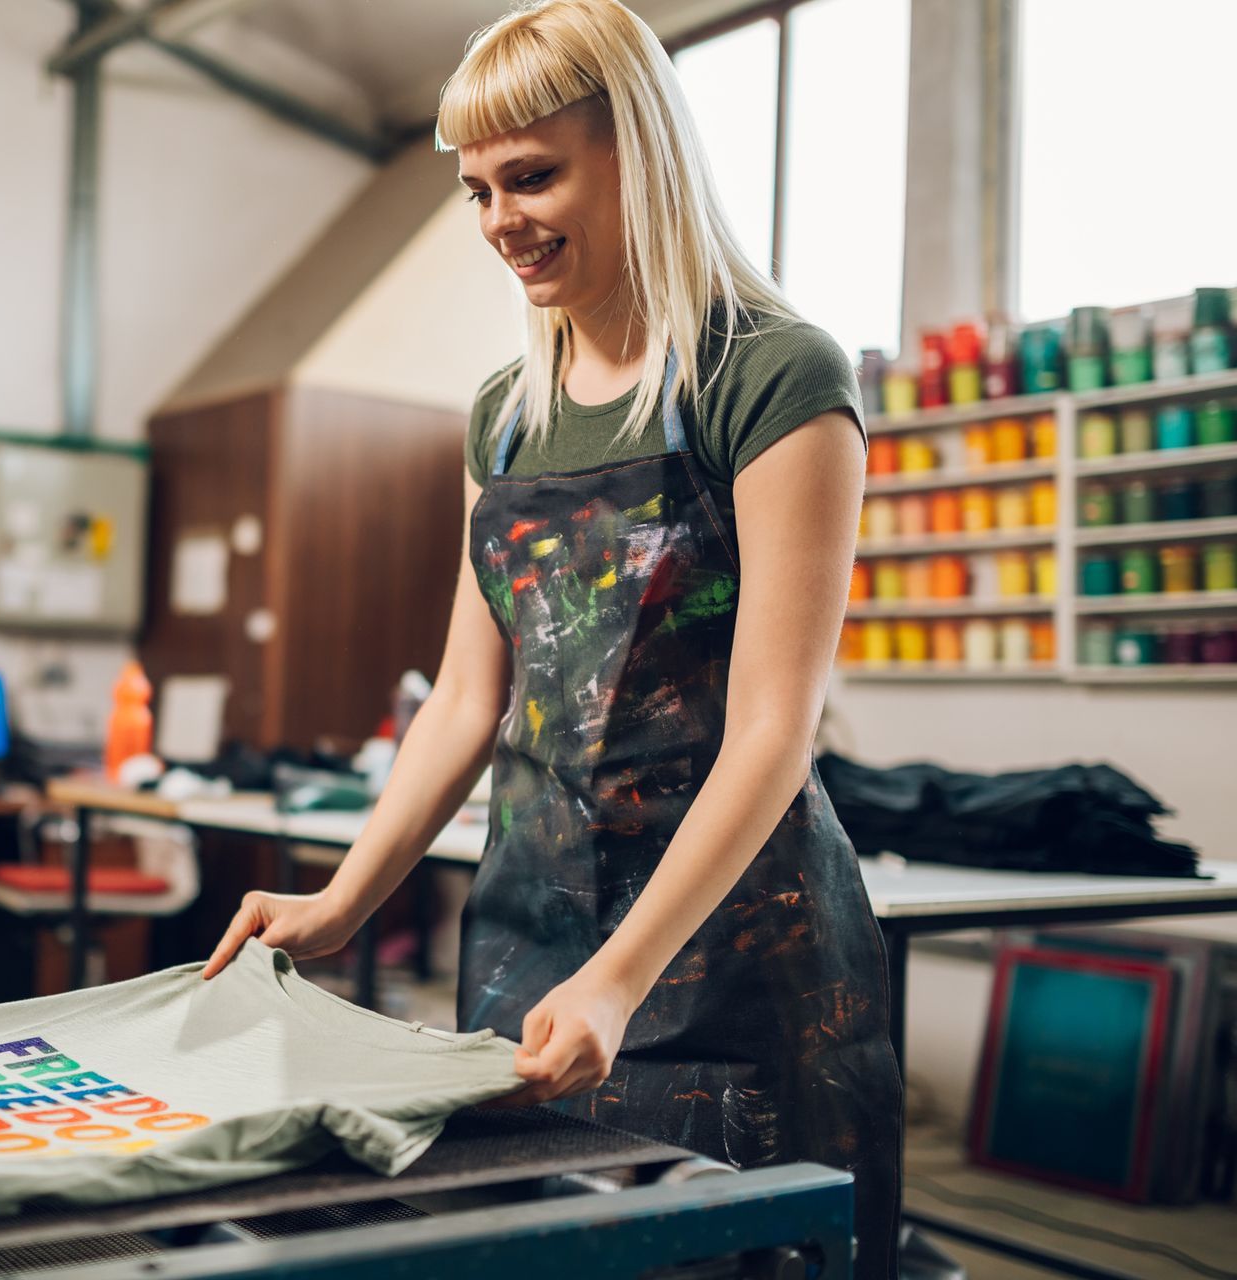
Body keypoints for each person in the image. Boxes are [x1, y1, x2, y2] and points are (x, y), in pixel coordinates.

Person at [200, 1, 902, 1274]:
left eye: (532, 175)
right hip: (530, 931)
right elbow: (469, 702)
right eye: (476, 190)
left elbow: (773, 729)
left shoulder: (773, 376)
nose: (498, 221)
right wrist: (346, 898)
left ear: (640, 151)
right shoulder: (508, 416)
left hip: (728, 946)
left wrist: (624, 977)